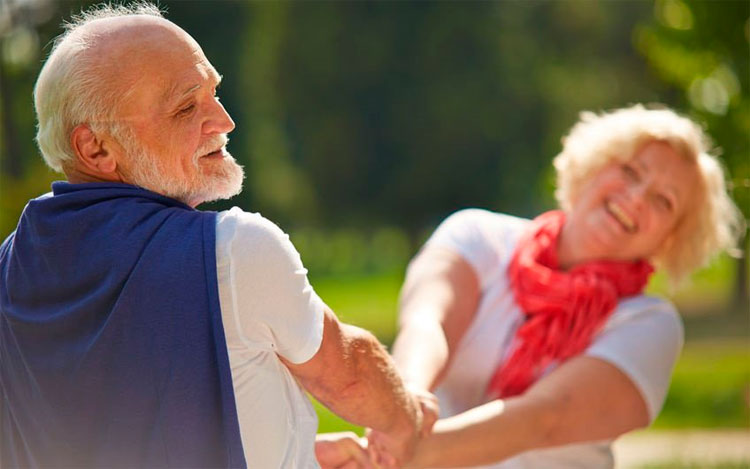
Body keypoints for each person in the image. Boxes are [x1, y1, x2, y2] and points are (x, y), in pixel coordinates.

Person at [0, 4, 436, 468]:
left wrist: (292, 448)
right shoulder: (232, 248)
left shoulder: (8, 271)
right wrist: (407, 417)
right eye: (187, 106)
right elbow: (348, 378)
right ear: (96, 148)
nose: (224, 121)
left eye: (214, 93)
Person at [362, 105, 744, 467]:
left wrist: (405, 453)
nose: (637, 198)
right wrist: (405, 402)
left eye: (664, 201)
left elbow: (547, 416)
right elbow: (428, 322)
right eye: (630, 170)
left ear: (671, 240)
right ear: (594, 164)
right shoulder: (477, 235)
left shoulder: (649, 324)